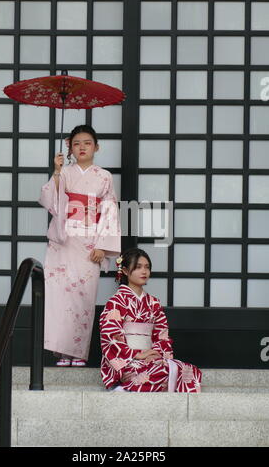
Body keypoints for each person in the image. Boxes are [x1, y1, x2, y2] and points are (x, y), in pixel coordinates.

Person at [39, 125, 121, 367]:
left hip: (89, 244)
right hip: (64, 243)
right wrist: (56, 171)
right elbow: (50, 202)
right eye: (77, 143)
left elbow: (109, 212)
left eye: (87, 142)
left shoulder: (104, 176)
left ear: (97, 147)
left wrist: (103, 247)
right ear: (69, 147)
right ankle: (62, 352)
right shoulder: (64, 173)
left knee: (83, 299)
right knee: (60, 298)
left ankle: (78, 352)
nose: (82, 147)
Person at [99, 248, 202, 392]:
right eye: (138, 267)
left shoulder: (154, 303)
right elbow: (110, 336)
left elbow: (162, 335)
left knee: (188, 371)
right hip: (127, 360)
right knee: (156, 373)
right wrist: (137, 354)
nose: (144, 271)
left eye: (147, 267)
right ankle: (125, 386)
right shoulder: (116, 302)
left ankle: (131, 388)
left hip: (150, 357)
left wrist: (156, 353)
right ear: (126, 271)